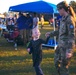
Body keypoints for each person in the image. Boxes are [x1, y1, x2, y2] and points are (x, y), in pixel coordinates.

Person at [45, 1, 75, 75]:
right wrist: (50, 33)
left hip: (66, 47)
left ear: (62, 9)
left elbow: (72, 35)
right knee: (56, 62)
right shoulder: (63, 19)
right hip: (60, 46)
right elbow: (60, 32)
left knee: (64, 67)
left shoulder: (70, 20)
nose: (58, 11)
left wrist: (70, 50)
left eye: (58, 10)